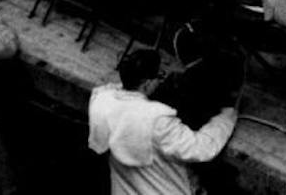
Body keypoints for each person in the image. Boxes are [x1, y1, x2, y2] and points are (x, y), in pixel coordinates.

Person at [87, 49, 237, 195]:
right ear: (146, 84)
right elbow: (200, 149)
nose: (162, 80)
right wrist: (226, 117)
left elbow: (115, 89)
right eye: (160, 76)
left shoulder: (102, 99)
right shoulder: (157, 119)